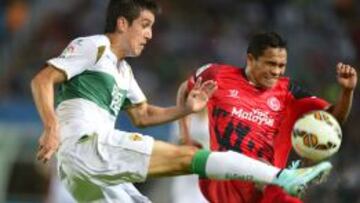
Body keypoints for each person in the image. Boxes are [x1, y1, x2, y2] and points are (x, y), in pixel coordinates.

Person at [30, 1, 334, 202]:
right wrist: (51, 126)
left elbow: (144, 115)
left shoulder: (124, 71)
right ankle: (284, 177)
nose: (149, 34)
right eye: (145, 24)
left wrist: (185, 109)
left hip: (83, 173)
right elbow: (42, 79)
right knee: (187, 158)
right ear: (123, 23)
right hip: (88, 145)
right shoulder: (95, 45)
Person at [177, 32, 358, 203]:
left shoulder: (289, 92)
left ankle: (281, 178)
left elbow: (334, 119)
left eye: (281, 66)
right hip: (222, 184)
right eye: (271, 64)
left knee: (269, 177)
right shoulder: (217, 75)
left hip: (263, 193)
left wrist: (347, 91)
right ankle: (284, 178)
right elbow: (185, 89)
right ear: (250, 59)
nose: (277, 71)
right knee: (267, 174)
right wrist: (185, 136)